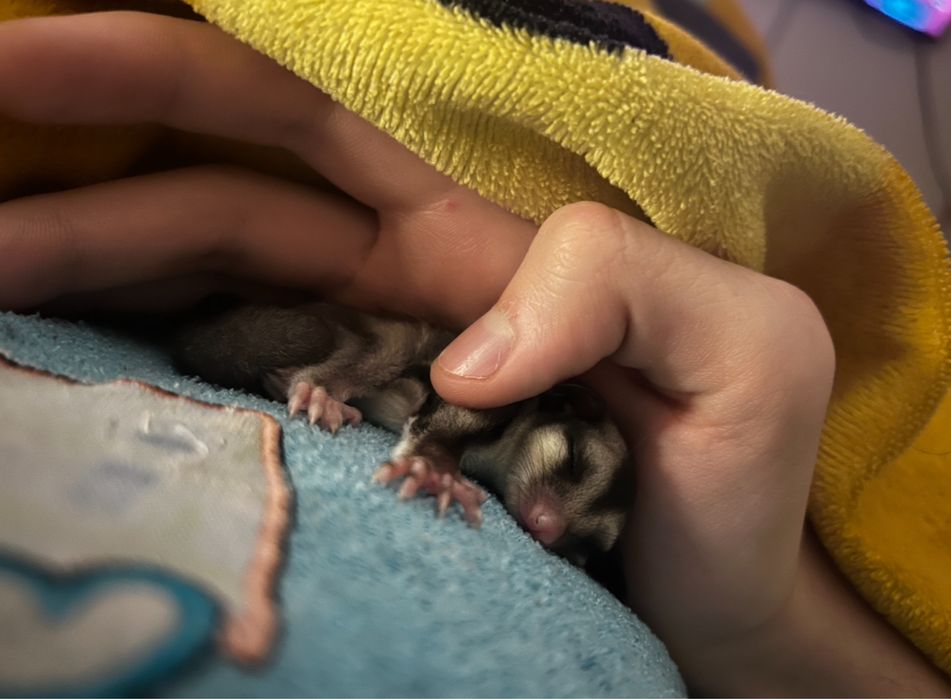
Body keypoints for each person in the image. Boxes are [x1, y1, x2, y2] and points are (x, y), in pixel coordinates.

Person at [0, 11, 948, 697]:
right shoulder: (505, 408)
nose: (548, 520)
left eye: (577, 529)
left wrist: (761, 628)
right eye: (565, 483)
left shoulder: (606, 508)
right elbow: (450, 400)